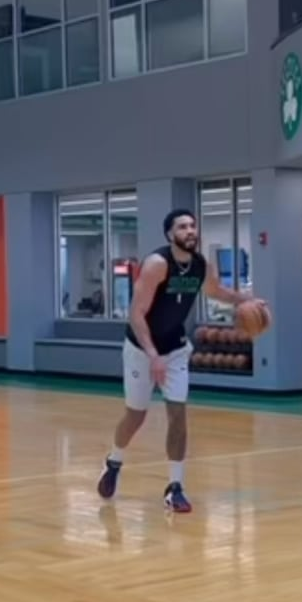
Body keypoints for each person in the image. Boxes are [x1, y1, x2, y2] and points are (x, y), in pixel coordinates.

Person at [97, 208, 264, 513]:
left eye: (192, 226)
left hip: (175, 349)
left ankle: (175, 487)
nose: (190, 231)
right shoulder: (157, 265)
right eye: (183, 227)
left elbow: (216, 291)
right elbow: (136, 314)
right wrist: (152, 355)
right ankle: (114, 461)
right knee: (136, 416)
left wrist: (246, 300)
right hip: (141, 348)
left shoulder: (201, 265)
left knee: (178, 415)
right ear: (169, 234)